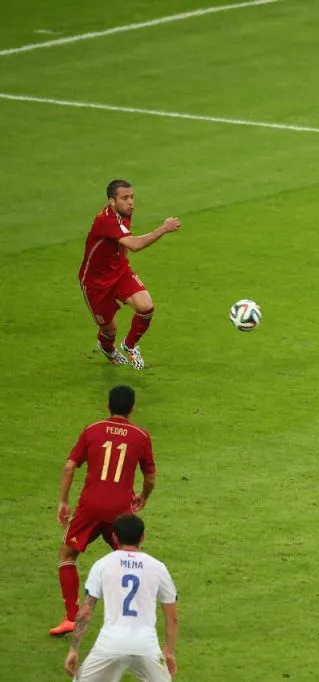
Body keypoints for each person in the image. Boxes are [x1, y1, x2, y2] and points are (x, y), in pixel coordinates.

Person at [50, 386, 157, 636]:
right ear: (132, 408)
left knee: (67, 555)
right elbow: (150, 477)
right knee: (131, 560)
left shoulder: (92, 430)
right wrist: (143, 497)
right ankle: (138, 617)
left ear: (108, 406)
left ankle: (70, 617)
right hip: (120, 509)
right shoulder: (141, 436)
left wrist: (63, 501)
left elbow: (69, 468)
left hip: (89, 507)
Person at [79, 179, 181, 369]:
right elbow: (134, 245)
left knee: (146, 307)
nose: (130, 202)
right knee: (109, 329)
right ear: (111, 201)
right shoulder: (106, 220)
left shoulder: (123, 212)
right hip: (96, 282)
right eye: (124, 198)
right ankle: (107, 348)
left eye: (132, 197)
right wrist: (164, 228)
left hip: (120, 271)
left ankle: (130, 345)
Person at [64, 514, 178, 681]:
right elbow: (173, 618)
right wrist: (168, 651)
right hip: (145, 646)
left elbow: (86, 612)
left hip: (110, 644)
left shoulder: (102, 565)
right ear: (143, 537)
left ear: (115, 537)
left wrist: (74, 649)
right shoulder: (158, 568)